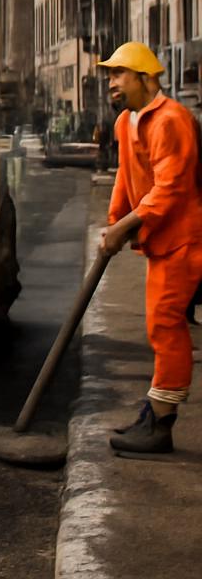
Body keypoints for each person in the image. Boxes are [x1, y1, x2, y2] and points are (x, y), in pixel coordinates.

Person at [96, 41, 202, 455]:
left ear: (145, 77)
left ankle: (160, 424)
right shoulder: (127, 121)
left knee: (166, 324)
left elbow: (171, 188)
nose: (111, 83)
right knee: (161, 325)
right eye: (110, 75)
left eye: (118, 74)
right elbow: (126, 175)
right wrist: (113, 225)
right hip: (161, 242)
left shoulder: (172, 120)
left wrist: (126, 226)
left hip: (184, 239)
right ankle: (154, 413)